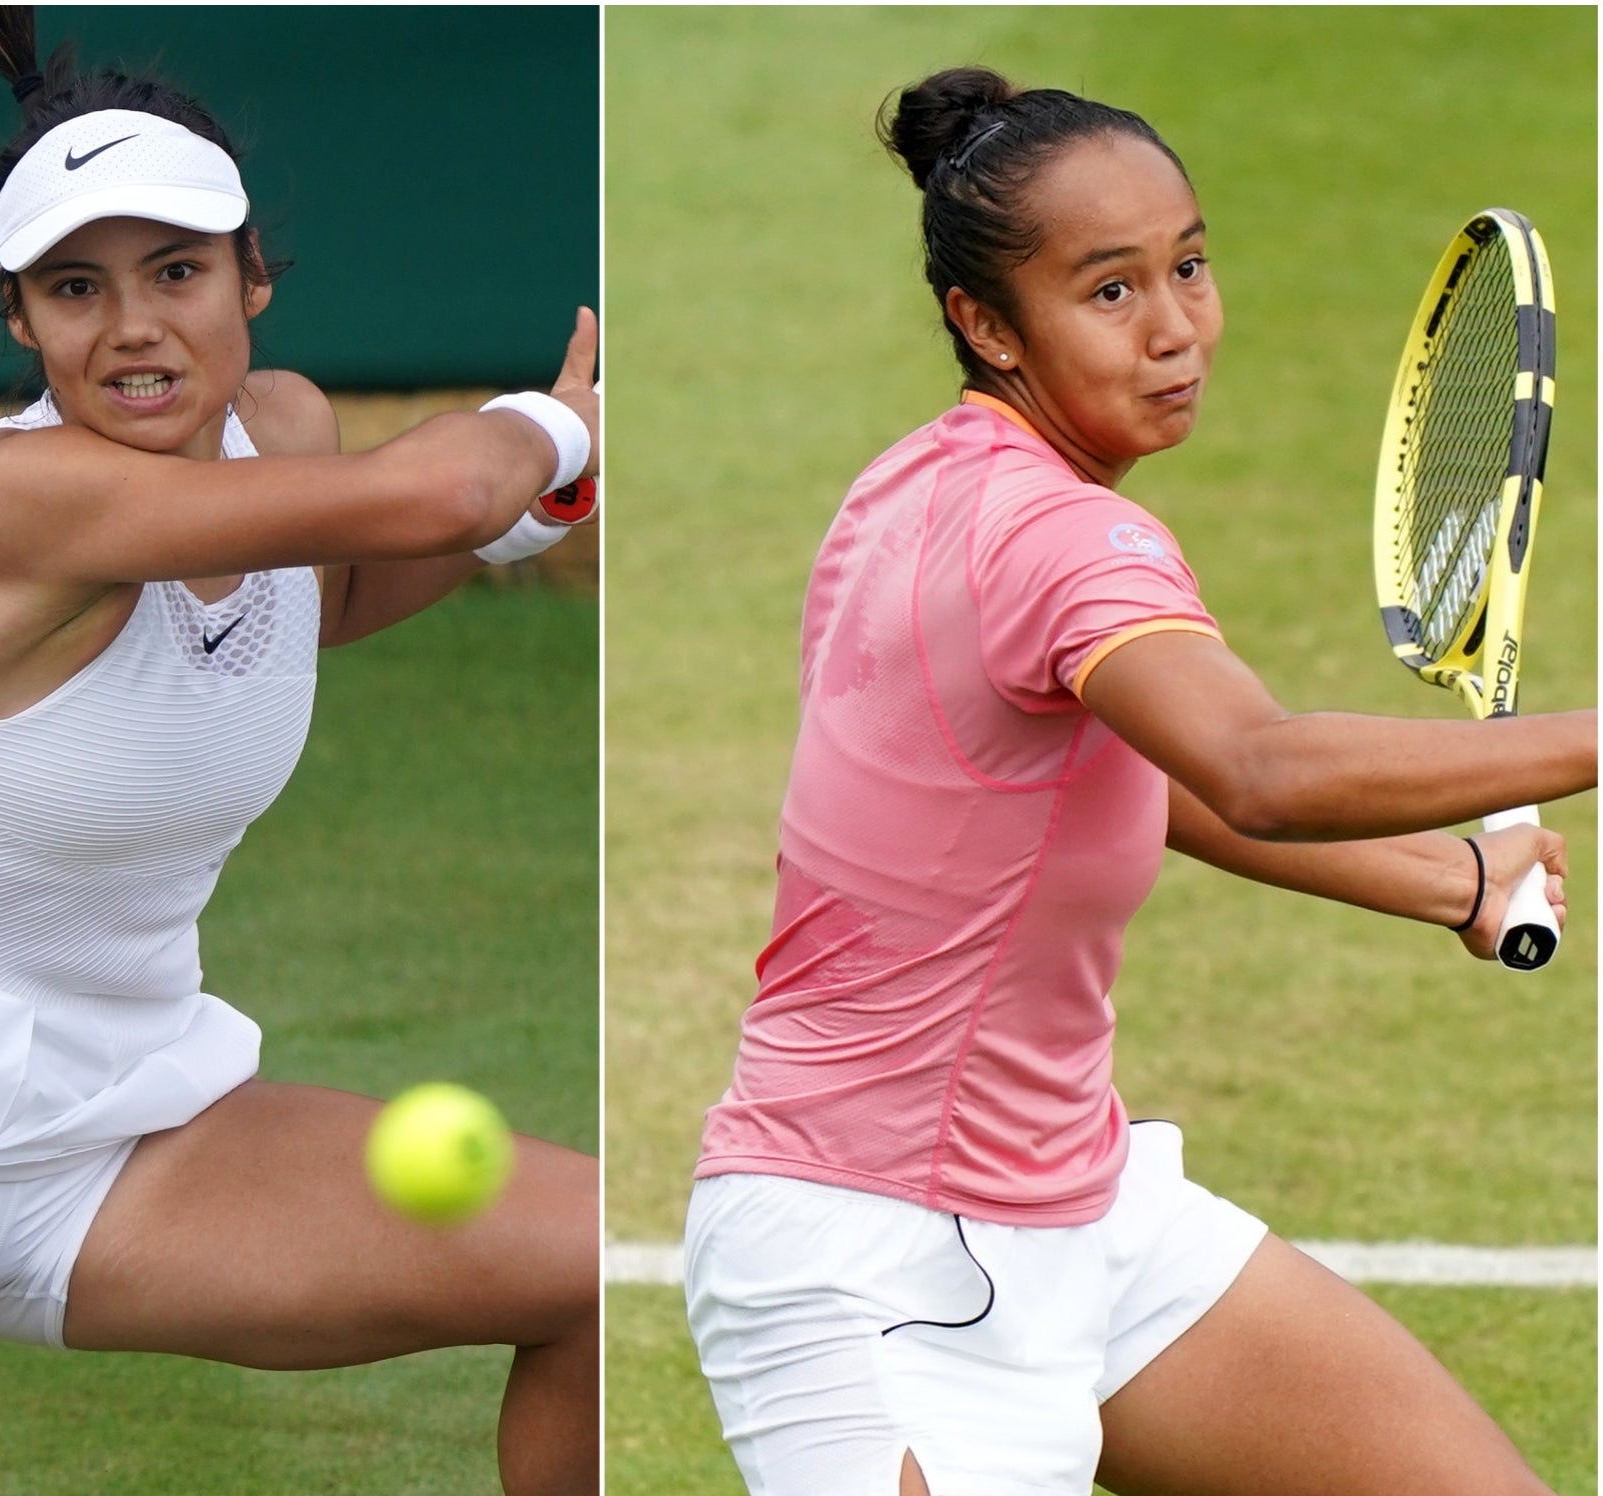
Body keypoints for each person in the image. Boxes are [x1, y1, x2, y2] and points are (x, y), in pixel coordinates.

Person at [0, 11, 599, 1496]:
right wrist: (556, 429)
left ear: (254, 276)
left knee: (593, 1266)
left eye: (176, 272)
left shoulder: (283, 426)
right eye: (77, 289)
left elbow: (324, 598)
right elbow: (446, 483)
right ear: (22, 321)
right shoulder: (14, 501)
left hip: (120, 1129)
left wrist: (543, 508)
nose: (131, 327)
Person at [682, 65, 1594, 1496]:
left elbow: (1121, 784)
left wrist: (1445, 876)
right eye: (1108, 293)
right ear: (983, 324)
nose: (1174, 329)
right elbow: (1258, 767)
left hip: (1088, 1217)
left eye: (1189, 266)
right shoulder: (1064, 544)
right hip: (872, 1263)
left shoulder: (909, 487)